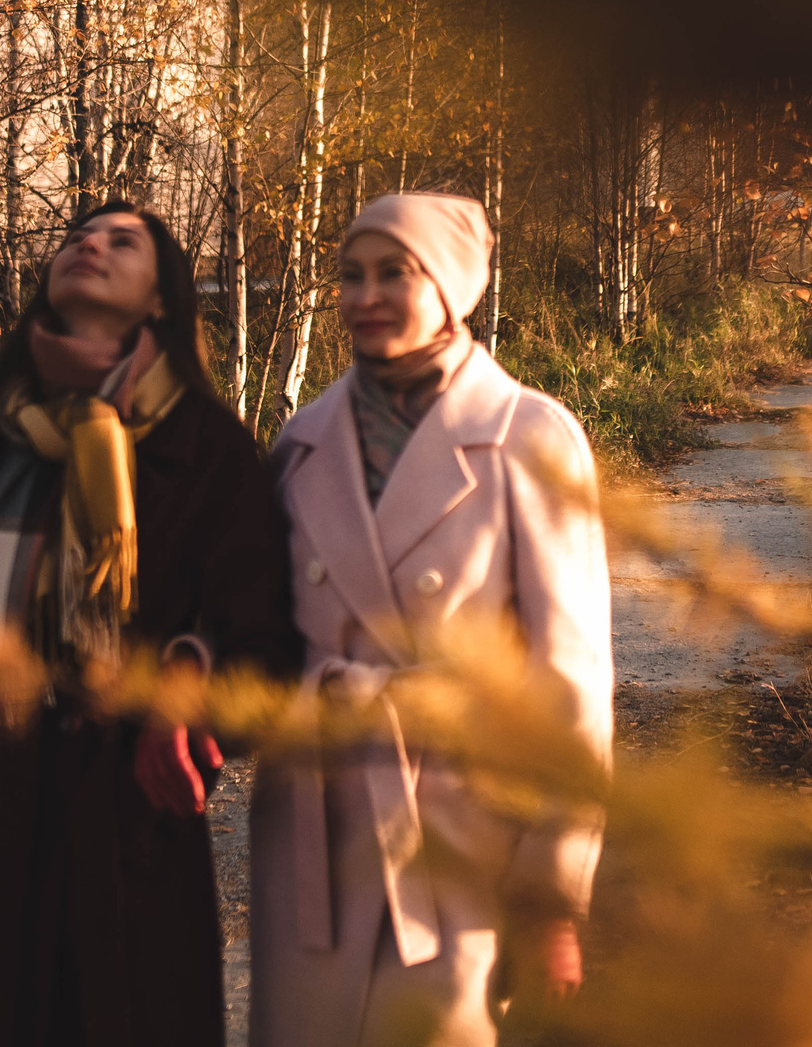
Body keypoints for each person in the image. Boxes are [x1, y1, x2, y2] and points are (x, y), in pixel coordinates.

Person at [0, 199, 301, 1047]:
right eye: (79, 236)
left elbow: (261, 633)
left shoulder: (206, 445)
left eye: (125, 242)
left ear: (160, 299)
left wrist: (189, 683)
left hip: (120, 811)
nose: (90, 245)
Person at [251, 191, 614, 1047]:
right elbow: (253, 627)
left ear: (451, 288)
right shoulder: (300, 444)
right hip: (315, 825)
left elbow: (572, 681)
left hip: (462, 830)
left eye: (393, 273)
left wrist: (555, 887)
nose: (364, 295)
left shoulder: (528, 437)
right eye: (350, 275)